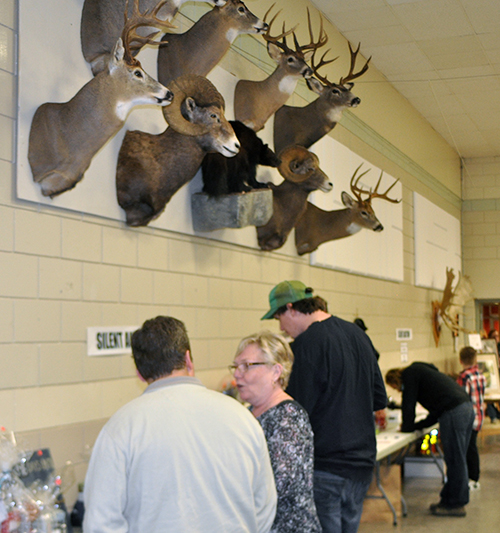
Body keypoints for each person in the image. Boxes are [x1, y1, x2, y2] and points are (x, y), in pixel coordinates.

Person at [83, 316, 277, 533]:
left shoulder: (121, 428)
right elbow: (264, 507)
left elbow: (100, 523)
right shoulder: (242, 418)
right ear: (188, 359)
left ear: (139, 373)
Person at [262, 281, 387, 533]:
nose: (281, 328)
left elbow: (295, 411)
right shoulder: (359, 336)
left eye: (279, 318)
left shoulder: (304, 346)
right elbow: (378, 398)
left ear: (291, 308)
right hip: (362, 465)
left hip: (326, 466)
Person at [231, 330, 322, 533]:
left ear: (276, 371)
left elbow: (282, 485)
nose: (237, 373)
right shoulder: (248, 414)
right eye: (236, 366)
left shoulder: (288, 417)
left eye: (246, 365)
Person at [385, 362, 474, 517]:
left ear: (396, 380)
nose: (399, 390)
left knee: (455, 460)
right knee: (457, 459)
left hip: (454, 414)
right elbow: (435, 413)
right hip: (465, 408)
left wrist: (407, 427)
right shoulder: (424, 374)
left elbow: (408, 404)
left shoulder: (410, 375)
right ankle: (448, 500)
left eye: (396, 387)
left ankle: (456, 504)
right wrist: (417, 426)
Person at [457, 346, 486, 490]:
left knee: (467, 448)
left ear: (460, 360)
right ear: (475, 359)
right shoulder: (481, 375)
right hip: (479, 416)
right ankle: (474, 477)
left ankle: (472, 478)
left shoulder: (464, 377)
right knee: (472, 447)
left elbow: (461, 398)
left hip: (468, 417)